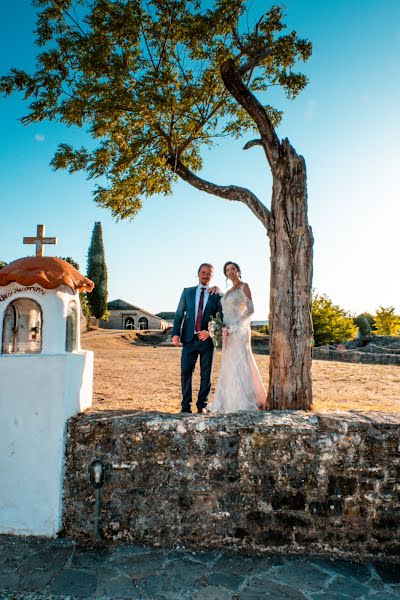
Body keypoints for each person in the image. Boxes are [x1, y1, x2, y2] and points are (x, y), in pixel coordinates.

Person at [210, 261, 266, 412]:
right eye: (227, 270)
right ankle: (228, 402)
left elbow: (251, 309)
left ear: (238, 270)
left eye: (233, 268)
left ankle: (245, 401)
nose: (230, 271)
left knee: (241, 362)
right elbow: (226, 301)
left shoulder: (244, 286)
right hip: (227, 332)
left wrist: (235, 326)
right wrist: (218, 289)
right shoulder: (228, 291)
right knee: (228, 364)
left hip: (239, 331)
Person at [172, 263, 223, 414]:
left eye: (209, 273)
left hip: (207, 341)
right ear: (198, 273)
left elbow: (222, 317)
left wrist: (210, 332)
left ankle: (202, 406)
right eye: (203, 272)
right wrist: (175, 333)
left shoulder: (216, 295)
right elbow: (179, 314)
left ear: (212, 276)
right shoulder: (187, 292)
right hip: (188, 339)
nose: (205, 275)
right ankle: (185, 406)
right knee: (186, 373)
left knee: (205, 374)